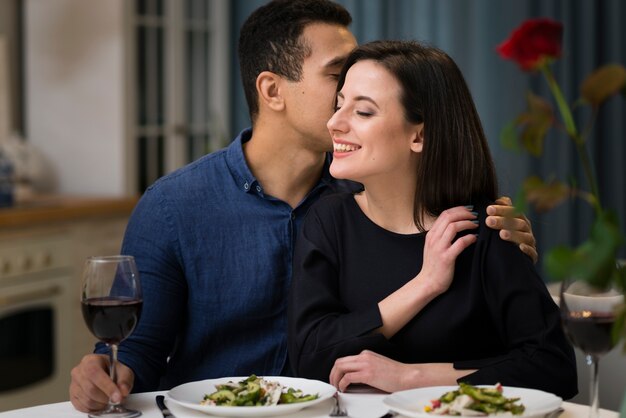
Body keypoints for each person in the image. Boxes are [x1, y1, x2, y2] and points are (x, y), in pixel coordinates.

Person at [69, 0, 538, 413]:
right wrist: (104, 372)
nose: (349, 92)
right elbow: (138, 354)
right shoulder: (173, 206)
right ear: (272, 91)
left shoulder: (372, 196)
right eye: (337, 75)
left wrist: (502, 250)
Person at [288, 40, 577, 399]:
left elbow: (554, 367)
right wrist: (424, 285)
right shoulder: (329, 221)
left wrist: (412, 378)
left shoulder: (483, 229)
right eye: (338, 104)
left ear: (419, 134)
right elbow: (309, 360)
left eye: (362, 112)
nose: (334, 123)